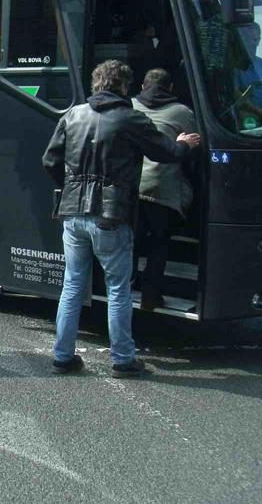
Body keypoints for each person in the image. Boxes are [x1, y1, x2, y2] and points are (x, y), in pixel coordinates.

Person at [42, 60, 201, 377]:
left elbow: (49, 160)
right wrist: (183, 144)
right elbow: (165, 153)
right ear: (124, 87)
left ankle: (62, 356)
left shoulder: (72, 115)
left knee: (72, 285)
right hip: (111, 215)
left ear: (96, 84)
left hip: (73, 213)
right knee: (118, 289)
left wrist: (71, 186)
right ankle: (123, 360)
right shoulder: (130, 118)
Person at [132, 69, 199, 311]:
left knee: (131, 242)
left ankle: (123, 289)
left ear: (142, 86)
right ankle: (151, 296)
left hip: (132, 187)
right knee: (159, 243)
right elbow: (194, 148)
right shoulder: (183, 112)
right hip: (164, 191)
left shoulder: (129, 107)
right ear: (170, 88)